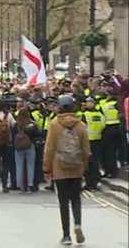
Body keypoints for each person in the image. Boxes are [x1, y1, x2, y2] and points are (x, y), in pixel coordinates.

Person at [43, 95, 90, 246]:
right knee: (76, 199)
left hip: (59, 168)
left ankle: (66, 236)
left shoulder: (54, 124)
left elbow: (49, 148)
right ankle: (78, 224)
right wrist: (84, 166)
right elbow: (85, 149)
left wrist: (47, 167)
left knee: (63, 202)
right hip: (76, 167)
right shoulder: (80, 125)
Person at [13, 108, 41, 193]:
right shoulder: (32, 124)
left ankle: (20, 186)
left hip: (18, 147)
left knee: (19, 166)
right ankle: (30, 185)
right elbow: (37, 134)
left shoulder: (16, 124)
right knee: (30, 165)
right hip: (30, 146)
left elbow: (12, 134)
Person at [81, 97, 104, 190]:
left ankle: (90, 182)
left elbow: (82, 127)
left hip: (89, 141)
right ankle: (93, 182)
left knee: (89, 163)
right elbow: (103, 125)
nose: (89, 104)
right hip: (97, 139)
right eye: (88, 102)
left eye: (90, 102)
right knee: (94, 162)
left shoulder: (85, 115)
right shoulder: (100, 114)